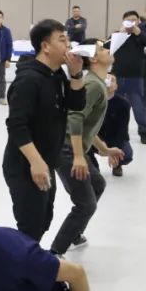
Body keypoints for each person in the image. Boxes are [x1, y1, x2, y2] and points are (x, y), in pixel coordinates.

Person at [3, 19, 85, 241]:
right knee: (30, 226)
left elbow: (76, 105)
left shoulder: (56, 74)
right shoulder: (28, 80)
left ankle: (31, 258)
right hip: (25, 165)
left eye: (68, 39)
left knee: (43, 219)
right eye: (62, 40)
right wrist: (36, 162)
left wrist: (76, 74)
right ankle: (22, 262)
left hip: (46, 162)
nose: (68, 45)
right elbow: (16, 125)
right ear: (45, 46)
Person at [49, 39, 125, 256]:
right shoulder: (93, 85)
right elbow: (75, 118)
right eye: (102, 49)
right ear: (93, 59)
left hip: (72, 148)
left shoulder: (96, 83)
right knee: (86, 205)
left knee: (98, 183)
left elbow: (86, 126)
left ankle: (74, 232)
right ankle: (54, 253)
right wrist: (78, 156)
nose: (107, 50)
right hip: (66, 150)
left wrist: (105, 149)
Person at [110, 10, 146, 145]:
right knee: (117, 106)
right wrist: (119, 35)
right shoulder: (116, 35)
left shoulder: (140, 36)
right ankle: (119, 131)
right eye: (128, 20)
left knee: (139, 106)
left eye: (134, 20)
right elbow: (107, 47)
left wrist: (139, 33)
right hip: (118, 77)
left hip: (135, 78)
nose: (131, 22)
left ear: (138, 22)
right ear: (123, 21)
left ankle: (143, 132)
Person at [98, 77, 133, 177]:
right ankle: (92, 166)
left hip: (115, 137)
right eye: (106, 79)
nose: (108, 82)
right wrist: (101, 143)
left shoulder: (124, 104)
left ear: (116, 86)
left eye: (112, 80)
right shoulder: (94, 100)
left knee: (127, 153)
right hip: (96, 138)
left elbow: (122, 130)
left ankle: (117, 165)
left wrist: (113, 151)